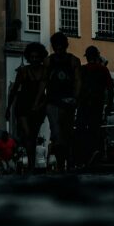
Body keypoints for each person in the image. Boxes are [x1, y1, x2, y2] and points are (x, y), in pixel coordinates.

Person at [42, 31, 81, 171]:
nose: (58, 50)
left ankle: (68, 161)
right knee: (57, 133)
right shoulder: (48, 61)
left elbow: (78, 81)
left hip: (68, 102)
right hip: (52, 101)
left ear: (65, 46)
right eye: (56, 47)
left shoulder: (73, 61)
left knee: (67, 133)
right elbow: (44, 82)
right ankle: (60, 163)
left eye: (61, 48)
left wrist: (75, 98)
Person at [5, 41, 48, 171]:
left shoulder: (45, 71)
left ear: (41, 57)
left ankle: (31, 163)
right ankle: (30, 165)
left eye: (37, 57)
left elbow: (45, 90)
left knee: (34, 136)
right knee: (28, 134)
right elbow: (14, 90)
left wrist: (40, 104)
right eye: (32, 57)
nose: (34, 59)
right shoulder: (23, 71)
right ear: (28, 57)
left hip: (39, 106)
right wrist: (8, 108)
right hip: (23, 104)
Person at [75, 45, 114, 168]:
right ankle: (95, 152)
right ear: (97, 56)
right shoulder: (103, 70)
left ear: (87, 57)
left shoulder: (82, 69)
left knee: (81, 130)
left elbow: (77, 87)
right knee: (95, 129)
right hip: (97, 104)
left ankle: (83, 156)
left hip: (83, 104)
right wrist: (109, 105)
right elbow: (110, 89)